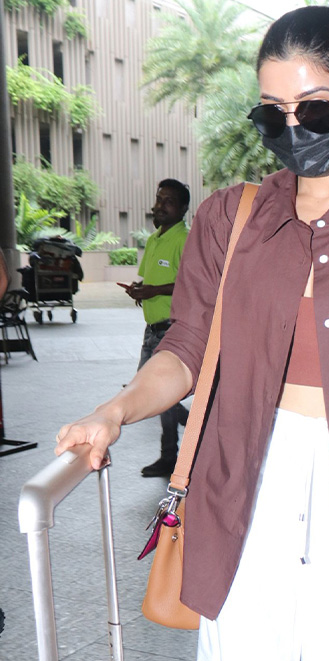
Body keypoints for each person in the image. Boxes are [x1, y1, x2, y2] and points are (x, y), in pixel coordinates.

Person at [55, 7, 329, 661]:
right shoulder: (229, 218)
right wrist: (114, 410)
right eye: (274, 112)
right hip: (243, 491)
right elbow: (185, 350)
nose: (293, 128)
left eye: (314, 108)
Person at [119, 179, 192, 477]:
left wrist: (155, 291)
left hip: (172, 329)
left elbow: (191, 284)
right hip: (151, 329)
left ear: (184, 208)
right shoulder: (153, 240)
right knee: (150, 390)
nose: (160, 206)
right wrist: (139, 290)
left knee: (158, 395)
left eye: (169, 201)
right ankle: (196, 420)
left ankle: (169, 456)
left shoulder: (185, 239)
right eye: (159, 199)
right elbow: (149, 281)